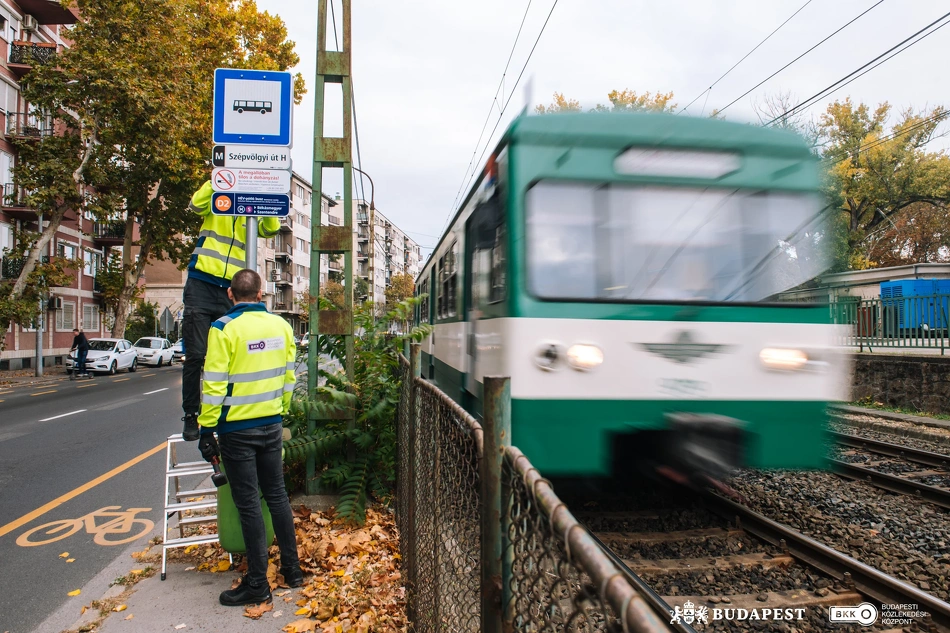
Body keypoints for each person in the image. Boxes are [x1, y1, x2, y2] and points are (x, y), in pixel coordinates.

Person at [196, 269, 303, 606]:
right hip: (271, 424)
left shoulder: (223, 329)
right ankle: (292, 569)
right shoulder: (282, 327)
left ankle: (258, 583)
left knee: (248, 505)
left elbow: (214, 384)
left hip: (236, 431)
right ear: (261, 294)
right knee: (277, 496)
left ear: (230, 294)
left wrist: (206, 429)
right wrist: (279, 409)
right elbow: (289, 377)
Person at [181, 181, 280, 441]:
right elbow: (195, 204)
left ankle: (229, 411)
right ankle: (191, 414)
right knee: (196, 355)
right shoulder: (217, 198)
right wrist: (219, 177)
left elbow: (271, 228)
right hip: (202, 282)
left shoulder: (250, 211)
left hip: (232, 290)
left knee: (232, 356)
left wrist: (264, 190)